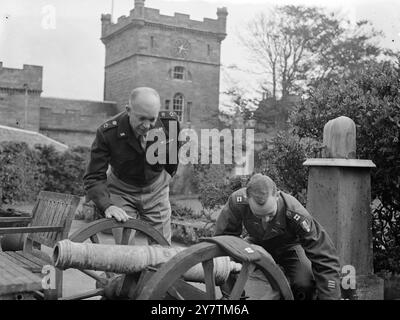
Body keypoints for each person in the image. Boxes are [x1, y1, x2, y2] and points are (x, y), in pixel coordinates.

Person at [214, 173, 341, 300]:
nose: (265, 220)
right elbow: (223, 240)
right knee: (225, 262)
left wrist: (330, 297)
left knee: (305, 284)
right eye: (259, 216)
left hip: (289, 248)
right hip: (255, 244)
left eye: (270, 214)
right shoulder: (238, 201)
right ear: (247, 199)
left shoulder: (296, 213)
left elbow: (324, 257)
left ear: (277, 196)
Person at [83, 87, 180, 245]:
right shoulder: (108, 132)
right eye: (141, 118)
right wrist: (107, 206)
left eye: (152, 119)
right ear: (128, 110)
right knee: (126, 253)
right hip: (122, 191)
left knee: (163, 250)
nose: (147, 125)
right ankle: (131, 271)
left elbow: (172, 157)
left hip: (156, 190)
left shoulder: (170, 124)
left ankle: (153, 270)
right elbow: (93, 176)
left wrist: (165, 178)